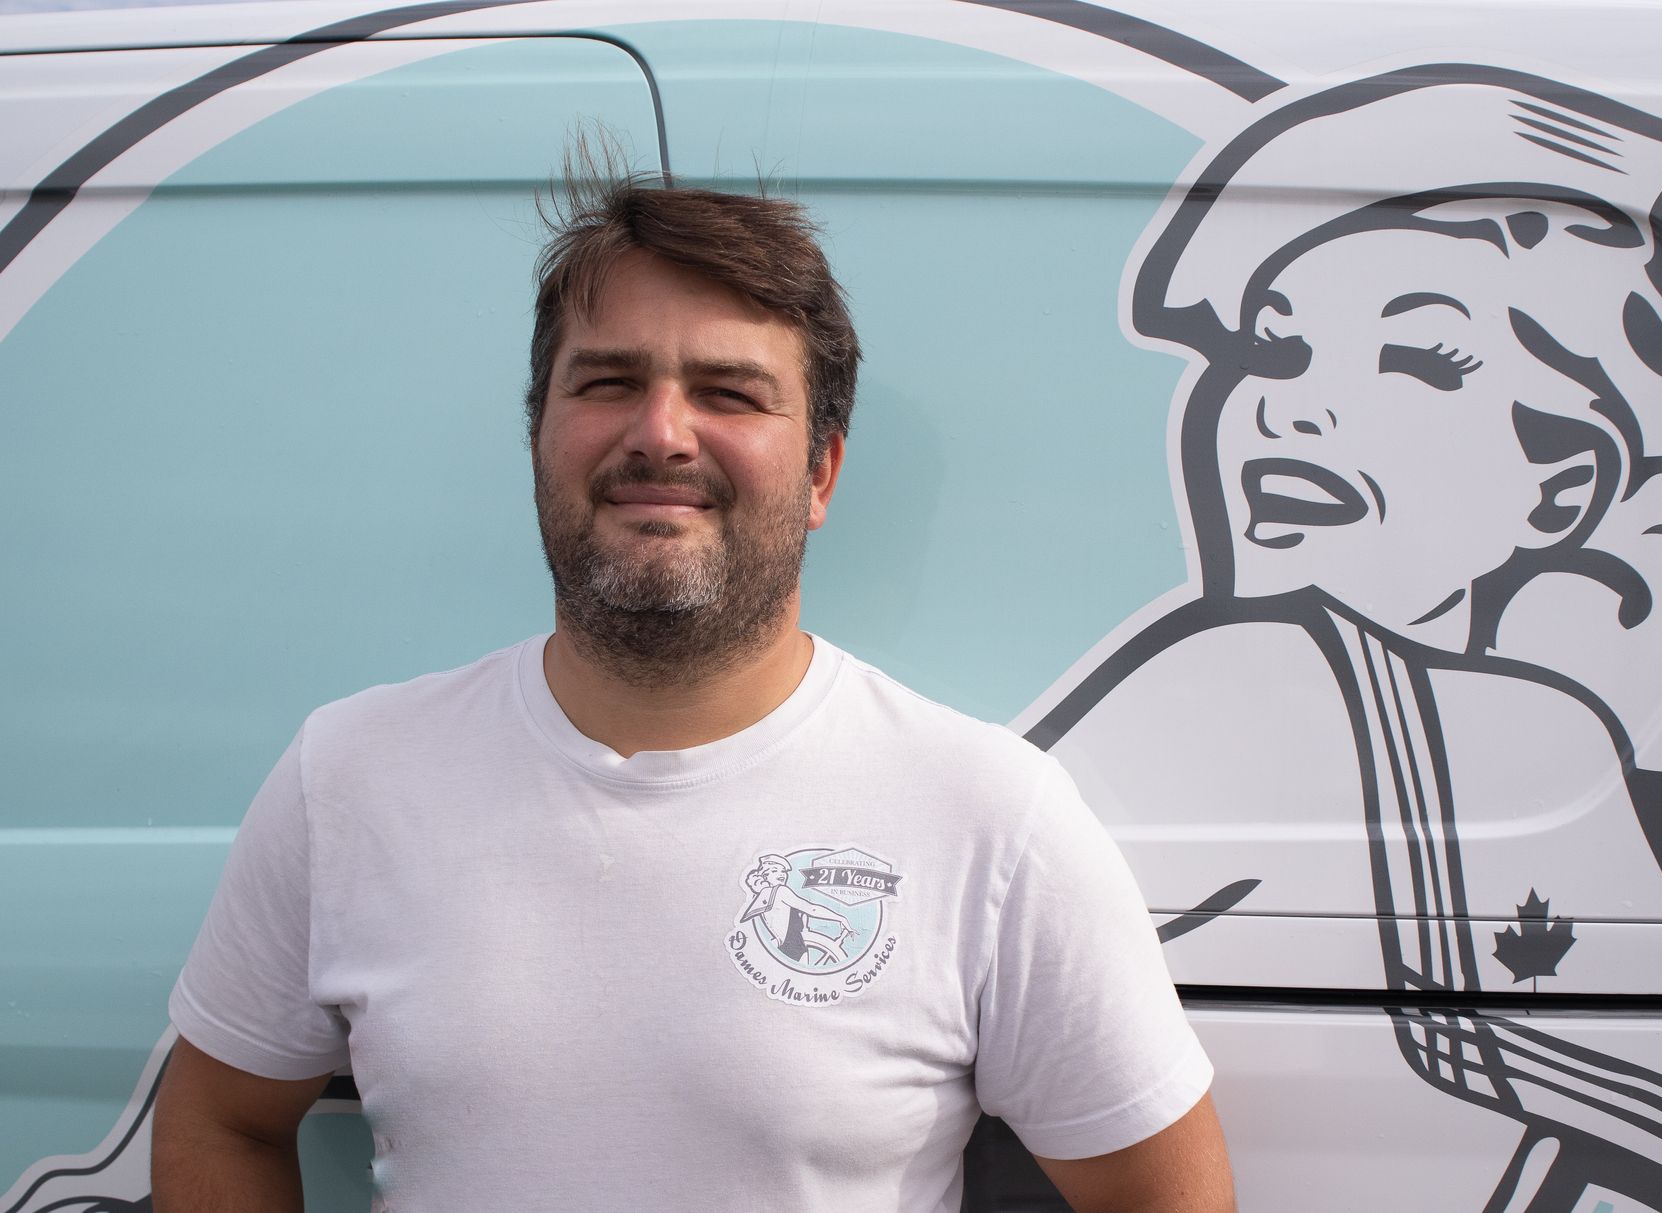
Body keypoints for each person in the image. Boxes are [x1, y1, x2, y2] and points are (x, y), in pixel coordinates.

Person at [150, 169, 1233, 1212]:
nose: (660, 433)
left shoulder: (992, 817)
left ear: (820, 473)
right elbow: (219, 1117)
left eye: (729, 392)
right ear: (539, 432)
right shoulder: (349, 776)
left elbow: (1163, 1195)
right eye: (609, 381)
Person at [1031, 67, 1662, 1213]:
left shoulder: (1288, 683)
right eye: (1274, 348)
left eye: (1416, 357)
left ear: (1562, 485)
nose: (1289, 405)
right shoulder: (1550, 742)